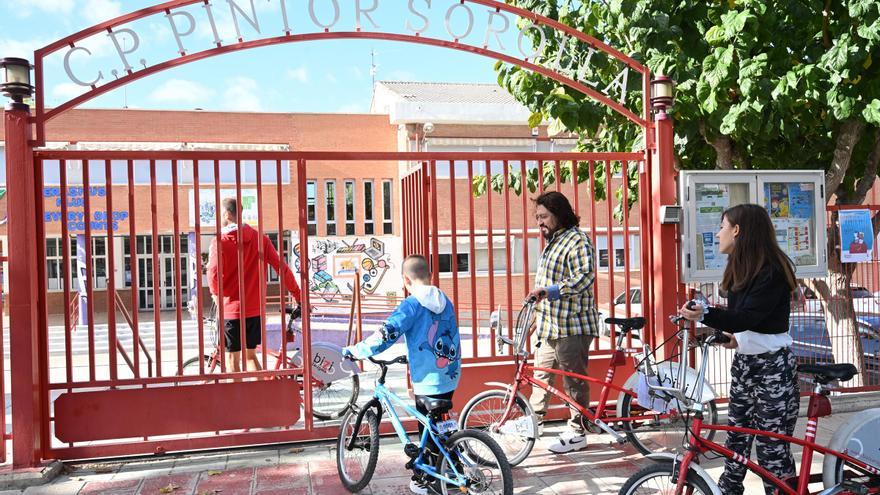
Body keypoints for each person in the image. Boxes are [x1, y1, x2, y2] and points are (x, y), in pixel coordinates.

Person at [679, 203, 799, 495]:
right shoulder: (740, 270)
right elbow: (745, 327)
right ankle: (727, 491)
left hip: (773, 367)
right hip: (746, 364)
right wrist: (725, 338)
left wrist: (705, 314)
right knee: (736, 439)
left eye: (722, 226)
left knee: (771, 447)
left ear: (737, 230)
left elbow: (747, 318)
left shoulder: (771, 272)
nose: (717, 233)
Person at [342, 255, 460, 495]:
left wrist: (356, 351)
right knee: (441, 426)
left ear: (406, 279)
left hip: (427, 380)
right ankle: (453, 465)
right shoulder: (445, 300)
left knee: (428, 428)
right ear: (431, 275)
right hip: (449, 374)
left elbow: (386, 334)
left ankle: (429, 478)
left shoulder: (411, 304)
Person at [526, 191, 601, 454]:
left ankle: (577, 430)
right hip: (549, 325)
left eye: (544, 216)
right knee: (541, 376)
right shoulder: (553, 242)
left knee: (573, 381)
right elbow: (542, 284)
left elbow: (584, 278)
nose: (540, 222)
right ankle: (532, 423)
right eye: (537, 217)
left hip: (572, 325)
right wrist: (537, 315)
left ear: (559, 214)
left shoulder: (577, 240)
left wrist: (551, 291)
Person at [207, 197, 301, 374]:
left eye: (219, 213)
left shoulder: (220, 242)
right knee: (250, 356)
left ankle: (236, 401)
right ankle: (260, 398)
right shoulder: (260, 239)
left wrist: (215, 294)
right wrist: (298, 295)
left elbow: (212, 272)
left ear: (227, 214)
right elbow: (282, 268)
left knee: (232, 359)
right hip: (254, 310)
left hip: (231, 311)